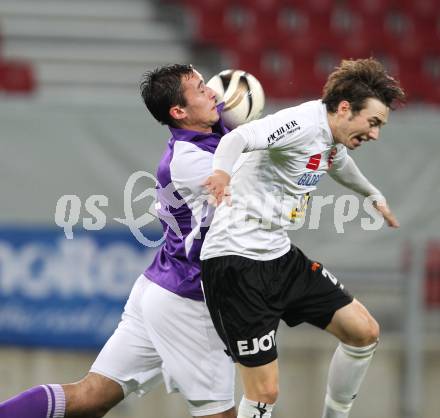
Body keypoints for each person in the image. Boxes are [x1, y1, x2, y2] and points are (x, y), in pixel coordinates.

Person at [0, 64, 236, 418]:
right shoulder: (189, 160)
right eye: (202, 89)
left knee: (91, 398)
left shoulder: (208, 135)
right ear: (178, 112)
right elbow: (255, 188)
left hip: (161, 285)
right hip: (187, 300)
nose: (213, 92)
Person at [200, 58, 406, 418]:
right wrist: (220, 173)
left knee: (364, 332)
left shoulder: (331, 136)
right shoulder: (300, 123)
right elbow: (239, 136)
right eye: (373, 123)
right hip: (236, 261)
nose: (375, 134)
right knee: (265, 392)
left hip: (278, 254)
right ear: (345, 108)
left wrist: (371, 194)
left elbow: (337, 161)